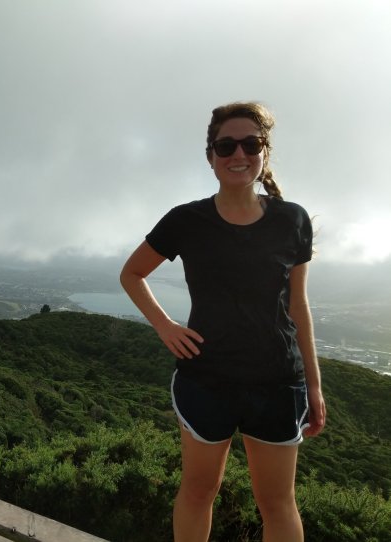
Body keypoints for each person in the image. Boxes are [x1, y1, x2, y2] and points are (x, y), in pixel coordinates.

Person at [119, 102, 326, 542]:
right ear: (210, 155)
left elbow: (298, 306)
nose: (239, 154)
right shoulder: (186, 220)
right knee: (199, 491)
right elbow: (132, 273)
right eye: (226, 145)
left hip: (277, 381)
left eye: (251, 143)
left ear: (265, 151)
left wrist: (314, 384)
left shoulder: (292, 219)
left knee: (277, 503)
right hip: (206, 379)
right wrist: (165, 326)